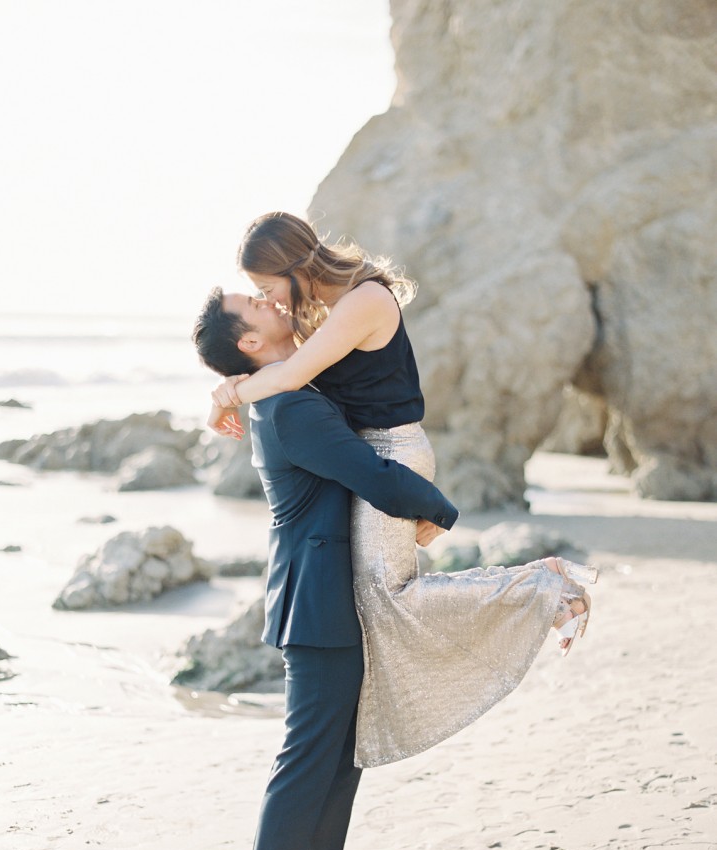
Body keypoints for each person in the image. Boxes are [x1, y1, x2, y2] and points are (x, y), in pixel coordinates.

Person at [207, 212, 597, 770]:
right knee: (385, 597)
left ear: (294, 267)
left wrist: (231, 392)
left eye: (268, 287)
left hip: (392, 454)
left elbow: (293, 377)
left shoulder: (362, 300)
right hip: (379, 455)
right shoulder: (326, 307)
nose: (270, 300)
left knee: (389, 594)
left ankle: (544, 587)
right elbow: (298, 374)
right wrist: (230, 385)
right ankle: (540, 590)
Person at [192, 288, 460, 850]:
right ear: (249, 342)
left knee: (342, 745)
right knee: (309, 753)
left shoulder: (286, 387)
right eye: (253, 303)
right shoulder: (291, 406)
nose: (268, 299)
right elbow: (372, 475)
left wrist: (230, 388)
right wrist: (439, 509)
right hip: (315, 598)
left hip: (327, 588)